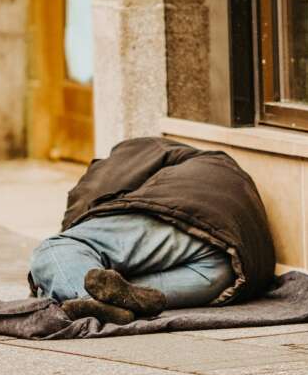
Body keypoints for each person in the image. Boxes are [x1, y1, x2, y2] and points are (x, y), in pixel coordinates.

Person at [28, 137, 277, 325]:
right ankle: (110, 303)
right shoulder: (208, 165)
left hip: (189, 218)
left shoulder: (131, 153)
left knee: (55, 249)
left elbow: (86, 204)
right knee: (120, 290)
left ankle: (86, 298)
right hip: (229, 270)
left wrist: (67, 245)